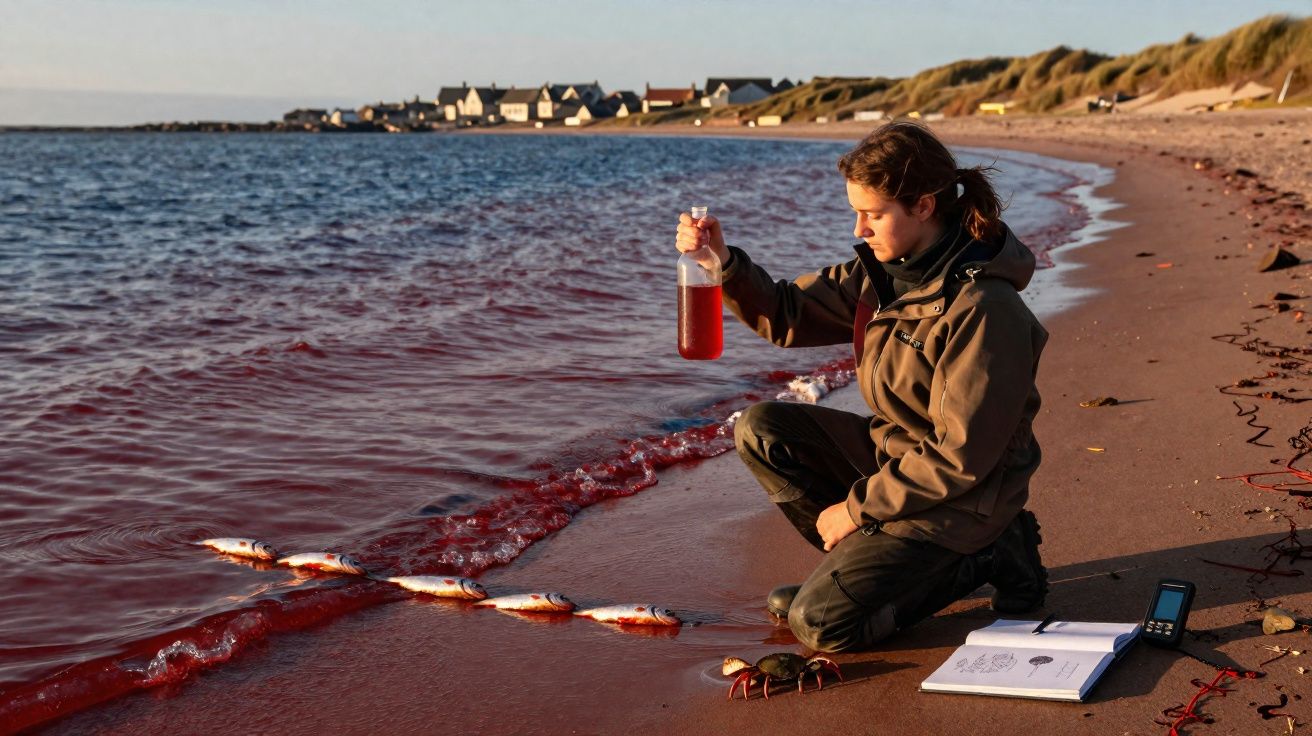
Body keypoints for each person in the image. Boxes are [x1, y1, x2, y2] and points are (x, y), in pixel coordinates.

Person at [673, 121, 1048, 653]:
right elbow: (788, 313)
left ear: (922, 206)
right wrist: (723, 263)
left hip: (969, 496)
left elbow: (960, 457)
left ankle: (989, 553)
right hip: (902, 462)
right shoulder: (879, 275)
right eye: (856, 212)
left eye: (873, 215)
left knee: (821, 625)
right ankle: (865, 567)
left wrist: (855, 509)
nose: (859, 229)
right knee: (762, 429)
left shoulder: (987, 311)